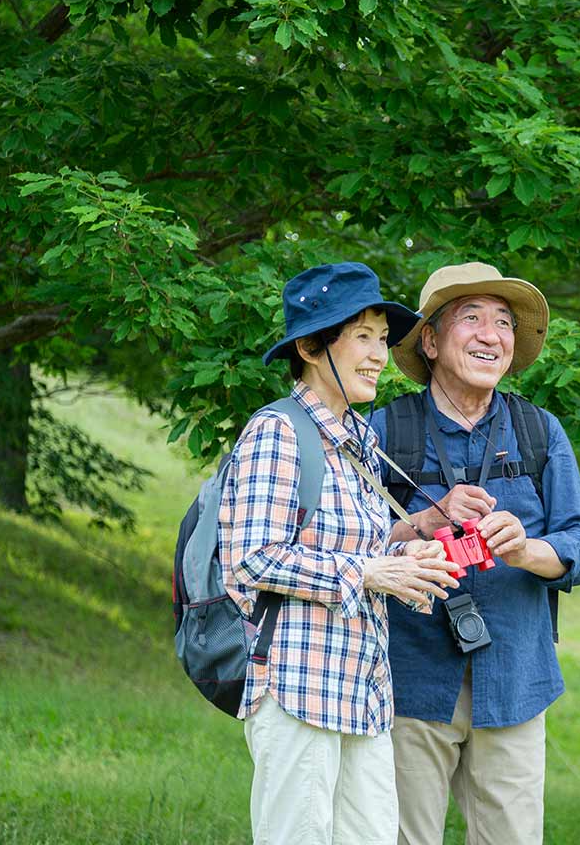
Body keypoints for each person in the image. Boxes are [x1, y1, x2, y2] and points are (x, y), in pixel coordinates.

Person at [220, 261, 462, 845]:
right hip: (298, 684)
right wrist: (371, 570)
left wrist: (410, 557)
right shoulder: (276, 431)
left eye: (382, 338)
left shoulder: (362, 438)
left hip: (365, 689)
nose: (380, 354)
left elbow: (362, 549)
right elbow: (251, 558)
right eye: (361, 337)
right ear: (309, 346)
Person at [372, 262, 580, 845]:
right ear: (429, 339)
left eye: (503, 323)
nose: (491, 334)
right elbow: (347, 546)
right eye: (470, 317)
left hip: (517, 680)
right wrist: (419, 525)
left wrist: (526, 550)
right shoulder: (382, 431)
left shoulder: (538, 430)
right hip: (410, 676)